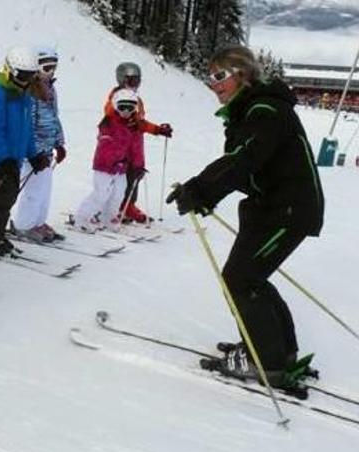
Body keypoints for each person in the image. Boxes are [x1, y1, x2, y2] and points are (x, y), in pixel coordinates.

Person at [166, 46, 325, 390]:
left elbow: (244, 158)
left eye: (220, 76)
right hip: (275, 208)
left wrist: (201, 189)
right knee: (250, 277)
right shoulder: (253, 110)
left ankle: (266, 364)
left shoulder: (264, 110)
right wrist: (206, 194)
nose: (214, 84)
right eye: (210, 77)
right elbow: (249, 167)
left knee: (241, 279)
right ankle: (277, 354)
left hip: (287, 210)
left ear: (244, 75)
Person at [0, 46, 47, 255]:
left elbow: (26, 128)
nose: (26, 80)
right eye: (22, 75)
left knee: (9, 197)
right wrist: (3, 157)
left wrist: (33, 154)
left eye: (30, 76)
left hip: (14, 157)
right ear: (11, 71)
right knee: (3, 197)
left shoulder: (23, 92)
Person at [103, 62, 172, 224]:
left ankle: (129, 206)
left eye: (137, 81)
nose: (135, 85)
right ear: (122, 79)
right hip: (120, 145)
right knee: (119, 178)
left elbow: (140, 122)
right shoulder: (117, 97)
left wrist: (158, 130)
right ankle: (114, 207)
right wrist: (124, 119)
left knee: (135, 174)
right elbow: (110, 115)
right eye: (132, 80)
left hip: (135, 145)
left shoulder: (137, 100)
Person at [12, 46, 67, 243]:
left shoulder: (51, 89)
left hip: (47, 150)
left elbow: (54, 118)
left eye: (54, 67)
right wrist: (34, 151)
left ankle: (38, 222)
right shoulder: (30, 91)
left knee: (45, 191)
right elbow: (26, 124)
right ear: (36, 68)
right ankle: (23, 225)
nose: (51, 72)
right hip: (33, 154)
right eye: (46, 68)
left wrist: (59, 143)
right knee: (33, 191)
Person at [72, 89, 145, 232]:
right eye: (122, 107)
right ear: (115, 106)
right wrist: (114, 161)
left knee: (119, 193)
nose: (126, 111)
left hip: (121, 168)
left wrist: (138, 166)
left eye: (130, 107)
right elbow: (106, 145)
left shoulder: (134, 125)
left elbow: (136, 147)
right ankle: (82, 217)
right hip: (104, 167)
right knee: (101, 193)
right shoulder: (108, 122)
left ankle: (109, 218)